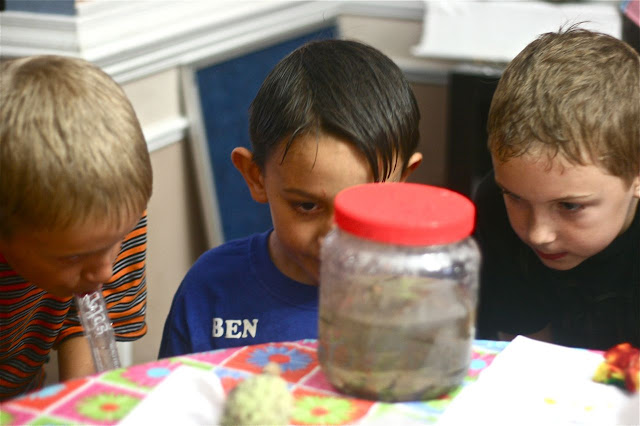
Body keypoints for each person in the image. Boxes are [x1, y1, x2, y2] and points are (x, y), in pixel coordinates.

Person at [158, 39, 423, 357]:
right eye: (307, 206)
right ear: (256, 177)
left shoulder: (426, 294)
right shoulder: (210, 289)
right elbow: (171, 387)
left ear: (401, 182)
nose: (334, 240)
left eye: (363, 207)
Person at [474, 27, 640, 350]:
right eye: (515, 197)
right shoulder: (493, 208)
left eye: (569, 206)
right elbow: (531, 357)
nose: (539, 235)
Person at [0, 55, 153, 400]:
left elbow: (78, 326)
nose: (105, 272)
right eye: (73, 258)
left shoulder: (110, 219)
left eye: (116, 241)